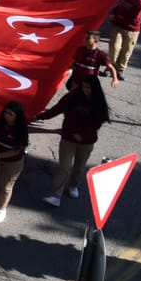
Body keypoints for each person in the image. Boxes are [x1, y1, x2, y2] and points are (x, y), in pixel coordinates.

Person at [37, 75, 111, 207]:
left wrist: (82, 134)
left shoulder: (98, 103)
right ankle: (56, 195)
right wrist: (39, 117)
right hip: (68, 138)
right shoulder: (71, 97)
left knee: (78, 167)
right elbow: (56, 109)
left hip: (86, 141)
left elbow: (97, 122)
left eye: (89, 88)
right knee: (64, 167)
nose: (85, 90)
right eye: (84, 87)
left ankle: (73, 185)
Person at [0, 100, 30, 223]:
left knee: (6, 187)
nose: (6, 116)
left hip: (12, 162)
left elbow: (17, 150)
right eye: (5, 112)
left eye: (10, 114)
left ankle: (1, 209)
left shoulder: (21, 129)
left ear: (17, 115)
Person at [106, 0, 141, 77]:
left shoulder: (140, 2)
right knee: (114, 47)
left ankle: (120, 69)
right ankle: (110, 67)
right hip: (118, 26)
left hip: (131, 30)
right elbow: (116, 7)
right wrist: (112, 13)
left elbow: (134, 18)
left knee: (126, 50)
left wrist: (116, 17)